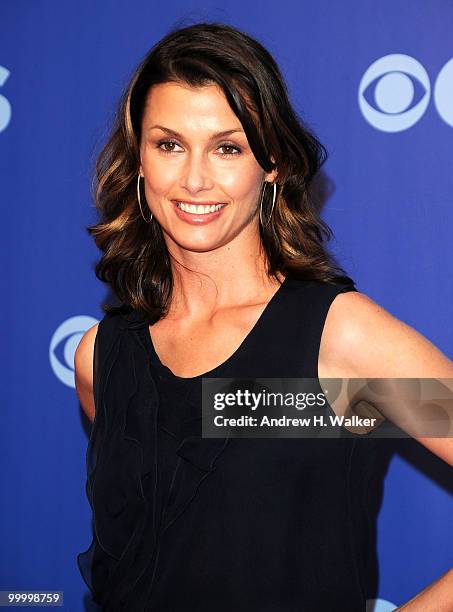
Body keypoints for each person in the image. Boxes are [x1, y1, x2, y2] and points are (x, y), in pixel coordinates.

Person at [74, 22, 453, 611]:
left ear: (272, 163)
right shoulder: (102, 356)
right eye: (169, 144)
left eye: (228, 148)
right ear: (139, 159)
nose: (195, 178)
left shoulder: (339, 340)